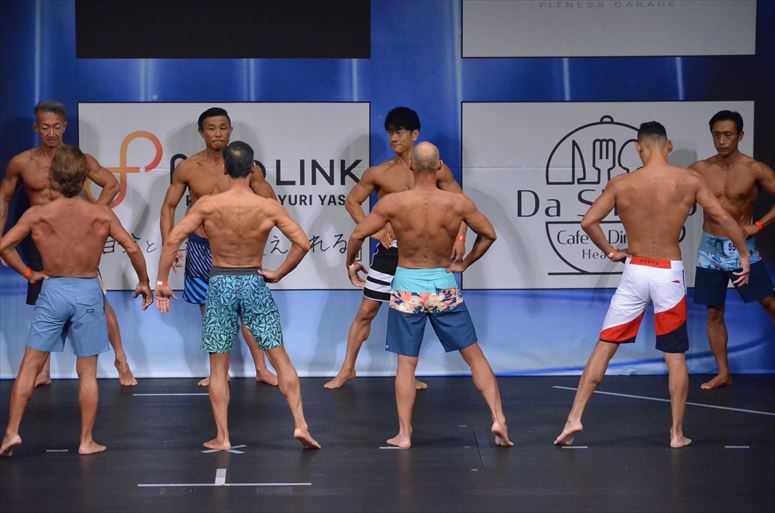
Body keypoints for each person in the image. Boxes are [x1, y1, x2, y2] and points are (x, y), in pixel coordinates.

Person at [554, 122, 751, 449]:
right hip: (667, 274)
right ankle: (676, 433)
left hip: (635, 270)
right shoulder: (689, 180)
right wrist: (743, 254)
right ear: (668, 146)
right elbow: (724, 218)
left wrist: (612, 253)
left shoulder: (622, 183)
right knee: (674, 356)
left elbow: (588, 221)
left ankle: (574, 418)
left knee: (605, 345)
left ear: (638, 148)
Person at [345, 142, 513, 449]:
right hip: (442, 286)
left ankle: (404, 434)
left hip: (406, 288)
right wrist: (465, 263)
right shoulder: (457, 203)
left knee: (406, 364)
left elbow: (357, 234)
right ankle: (498, 418)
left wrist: (351, 264)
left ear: (410, 166)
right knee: (474, 355)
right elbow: (489, 234)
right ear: (439, 166)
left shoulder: (393, 203)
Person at [155, 141, 320, 451]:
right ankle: (300, 423)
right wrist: (279, 273)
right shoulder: (268, 206)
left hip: (220, 284)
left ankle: (223, 437)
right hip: (254, 283)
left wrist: (162, 280)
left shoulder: (207, 205)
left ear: (225, 169)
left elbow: (173, 240)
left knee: (218, 366)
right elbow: (302, 243)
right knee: (279, 356)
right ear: (253, 169)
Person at [0, 146, 153, 457]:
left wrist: (29, 273)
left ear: (53, 181)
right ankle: (86, 441)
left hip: (53, 289)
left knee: (29, 366)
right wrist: (144, 282)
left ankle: (11, 433)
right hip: (87, 291)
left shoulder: (37, 214)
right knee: (87, 372)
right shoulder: (100, 213)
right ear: (83, 180)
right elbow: (133, 249)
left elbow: (4, 246)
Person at [325, 107, 467, 390]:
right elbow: (352, 201)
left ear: (415, 134)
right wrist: (374, 228)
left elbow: (462, 205)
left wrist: (460, 238)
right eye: (390, 132)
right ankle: (347, 369)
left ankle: (408, 374)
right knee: (367, 310)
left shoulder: (437, 170)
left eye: (399, 132)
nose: (393, 138)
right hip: (391, 252)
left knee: (412, 316)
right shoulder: (380, 173)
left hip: (425, 253)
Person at [0, 100, 138, 386]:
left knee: (99, 302)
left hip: (78, 237)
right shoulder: (22, 162)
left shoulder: (78, 159)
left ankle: (121, 359)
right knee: (44, 303)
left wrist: (95, 213)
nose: (51, 133)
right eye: (45, 127)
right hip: (43, 237)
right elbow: (4, 199)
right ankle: (44, 371)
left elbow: (112, 184)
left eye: (57, 127)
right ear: (36, 127)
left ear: (64, 127)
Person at [160, 107, 279, 387]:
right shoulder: (188, 168)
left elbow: (271, 203)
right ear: (201, 132)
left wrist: (255, 235)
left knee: (248, 311)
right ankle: (219, 372)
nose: (218, 133)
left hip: (236, 249)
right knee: (210, 310)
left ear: (231, 130)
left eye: (223, 127)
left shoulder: (246, 166)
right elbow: (168, 207)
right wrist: (169, 244)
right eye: (211, 128)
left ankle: (261, 368)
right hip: (201, 246)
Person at [689, 110, 775, 390]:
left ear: (740, 135)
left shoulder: (754, 169)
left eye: (728, 134)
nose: (722, 140)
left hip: (742, 248)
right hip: (709, 249)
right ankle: (723, 373)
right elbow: (673, 193)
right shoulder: (700, 169)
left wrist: (758, 225)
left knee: (769, 302)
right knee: (714, 312)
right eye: (717, 135)